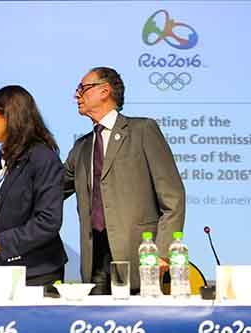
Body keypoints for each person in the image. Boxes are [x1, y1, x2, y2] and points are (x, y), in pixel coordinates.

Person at [64, 67, 185, 294]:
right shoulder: (82, 147)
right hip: (95, 261)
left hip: (140, 257)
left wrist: (162, 252)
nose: (76, 95)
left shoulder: (142, 130)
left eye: (83, 89)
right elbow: (51, 188)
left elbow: (173, 197)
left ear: (104, 91)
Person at [0, 85, 67, 286]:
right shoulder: (5, 157)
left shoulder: (43, 158)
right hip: (1, 268)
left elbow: (48, 220)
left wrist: (1, 243)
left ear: (11, 116)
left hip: (35, 272)